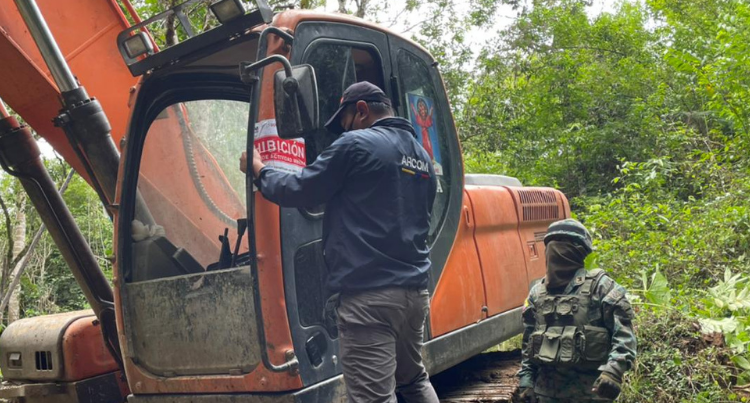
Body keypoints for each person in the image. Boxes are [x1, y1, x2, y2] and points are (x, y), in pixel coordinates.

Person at [240, 81, 439, 403]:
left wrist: (260, 171)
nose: (343, 131)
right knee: (413, 380)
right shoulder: (422, 157)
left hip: (370, 299)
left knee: (374, 397)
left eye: (345, 121)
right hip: (414, 295)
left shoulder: (356, 144)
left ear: (361, 110)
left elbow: (300, 189)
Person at [515, 219, 637, 403]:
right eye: (554, 245)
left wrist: (612, 372)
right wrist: (526, 382)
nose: (557, 252)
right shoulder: (537, 293)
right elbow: (529, 343)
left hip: (590, 394)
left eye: (564, 245)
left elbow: (624, 336)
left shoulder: (600, 287)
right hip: (545, 394)